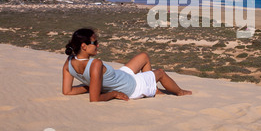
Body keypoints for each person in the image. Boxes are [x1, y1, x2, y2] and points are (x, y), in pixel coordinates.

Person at [62, 28, 192, 102]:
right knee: (161, 73)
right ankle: (180, 92)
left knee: (144, 56)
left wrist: (90, 86)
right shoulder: (95, 64)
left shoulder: (68, 63)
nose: (98, 45)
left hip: (122, 75)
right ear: (84, 46)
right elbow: (94, 99)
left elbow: (67, 91)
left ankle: (153, 90)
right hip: (133, 86)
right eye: (94, 43)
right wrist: (113, 93)